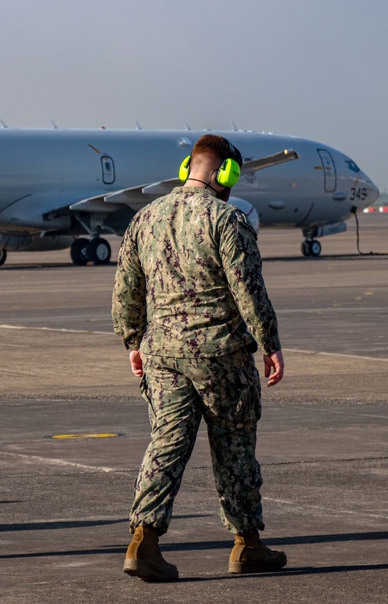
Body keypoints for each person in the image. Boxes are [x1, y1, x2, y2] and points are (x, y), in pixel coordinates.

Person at [112, 134, 287, 582]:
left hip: (162, 354)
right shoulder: (226, 219)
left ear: (189, 166)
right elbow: (248, 290)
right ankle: (247, 544)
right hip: (219, 354)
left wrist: (133, 341)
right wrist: (270, 344)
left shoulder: (145, 218)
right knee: (234, 451)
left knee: (166, 445)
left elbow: (126, 291)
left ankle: (143, 541)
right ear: (224, 174)